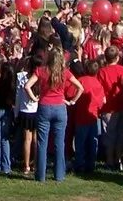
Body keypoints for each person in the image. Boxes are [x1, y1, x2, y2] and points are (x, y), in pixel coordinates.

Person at [26, 43, 84, 182]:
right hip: (60, 107)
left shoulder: (41, 70)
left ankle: (40, 175)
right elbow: (80, 87)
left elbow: (27, 86)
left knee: (42, 142)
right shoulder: (65, 72)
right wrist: (72, 101)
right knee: (59, 143)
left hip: (44, 106)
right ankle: (59, 175)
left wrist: (34, 98)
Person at [71, 59, 105, 175]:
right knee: (92, 142)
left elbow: (72, 94)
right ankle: (91, 164)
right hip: (93, 116)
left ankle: (79, 164)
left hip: (81, 116)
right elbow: (101, 102)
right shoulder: (98, 84)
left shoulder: (81, 81)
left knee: (80, 142)